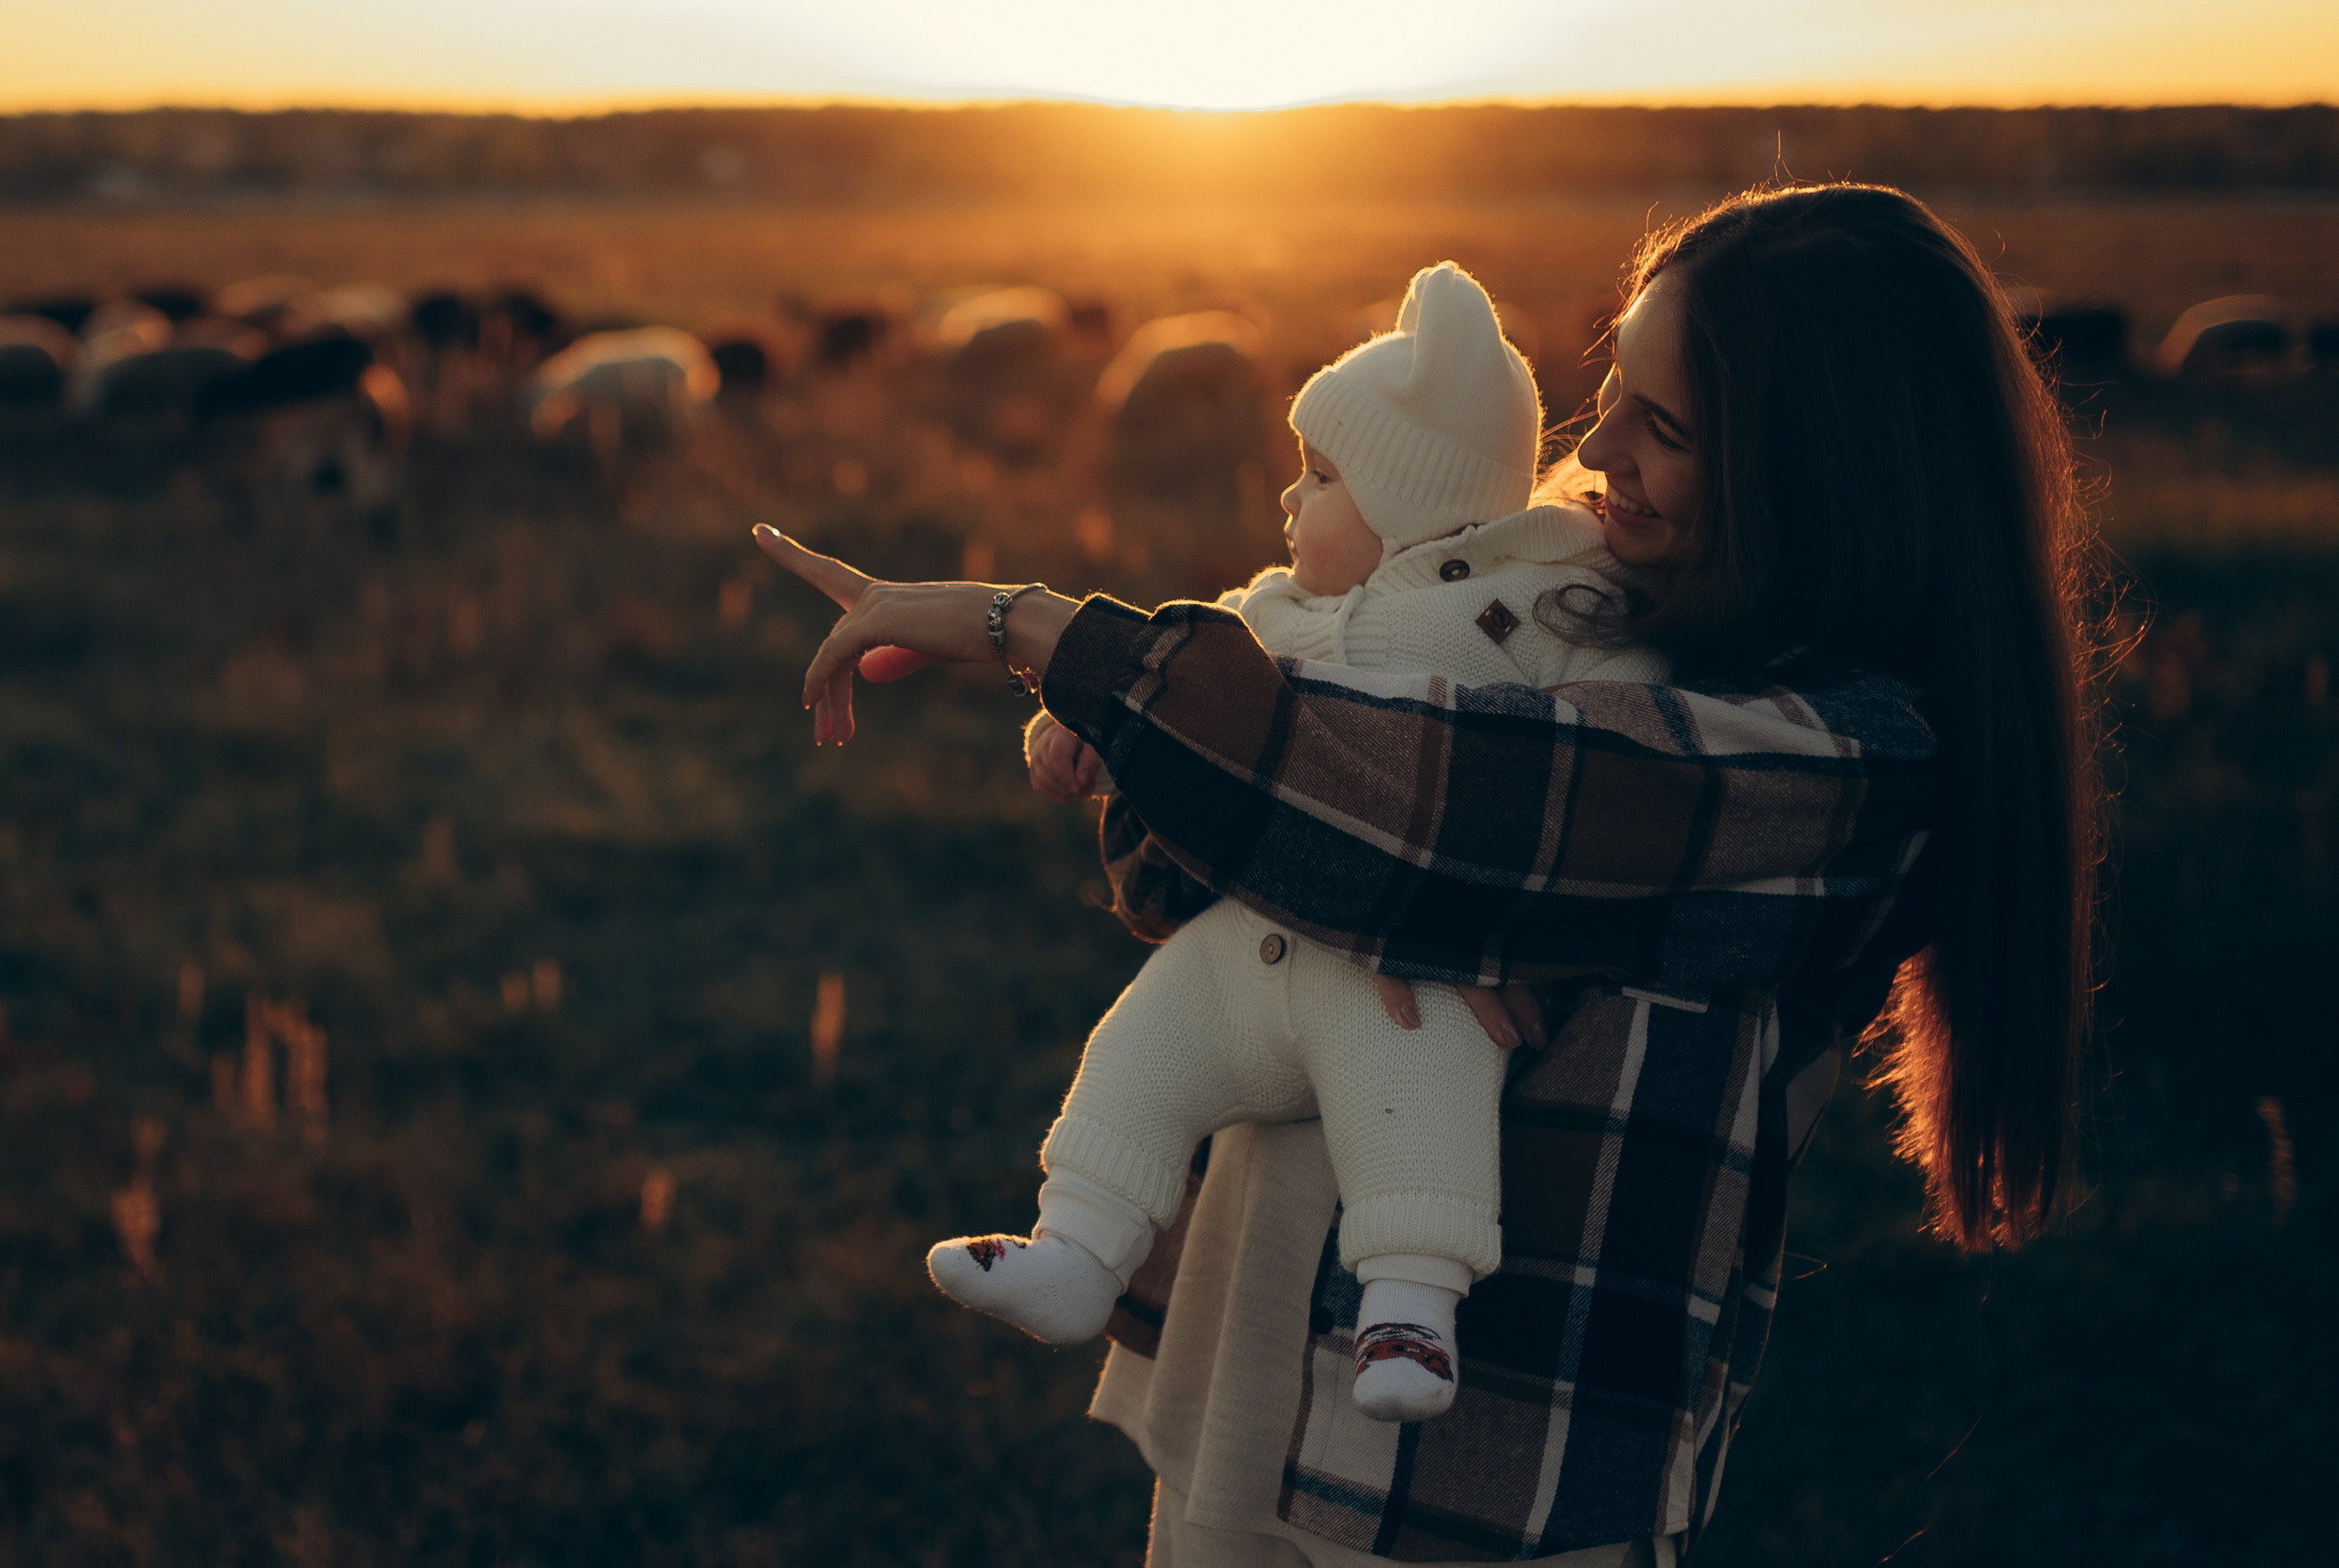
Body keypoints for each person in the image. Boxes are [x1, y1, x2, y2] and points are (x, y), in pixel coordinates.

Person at [755, 183, 2101, 1565]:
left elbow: (1407, 807)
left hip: (1490, 1462)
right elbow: (1188, 859)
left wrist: (1022, 626)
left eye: (1668, 426)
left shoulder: (1843, 764)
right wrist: (1331, 860)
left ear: (1818, 468)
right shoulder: (1575, 589)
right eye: (1612, 392)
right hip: (1253, 1347)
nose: (1596, 450)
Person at [926, 261, 1665, 1425]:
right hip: (1244, 954)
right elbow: (1176, 701)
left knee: (1421, 1092)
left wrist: (1537, 916)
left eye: (1319, 476)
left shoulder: (1535, 606)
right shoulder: (1271, 612)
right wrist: (1086, 731)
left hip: (1406, 971)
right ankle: (1076, 1246)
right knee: (1142, 1047)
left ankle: (1411, 1311)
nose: (1288, 499)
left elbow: (1623, 752)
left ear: (1409, 498)